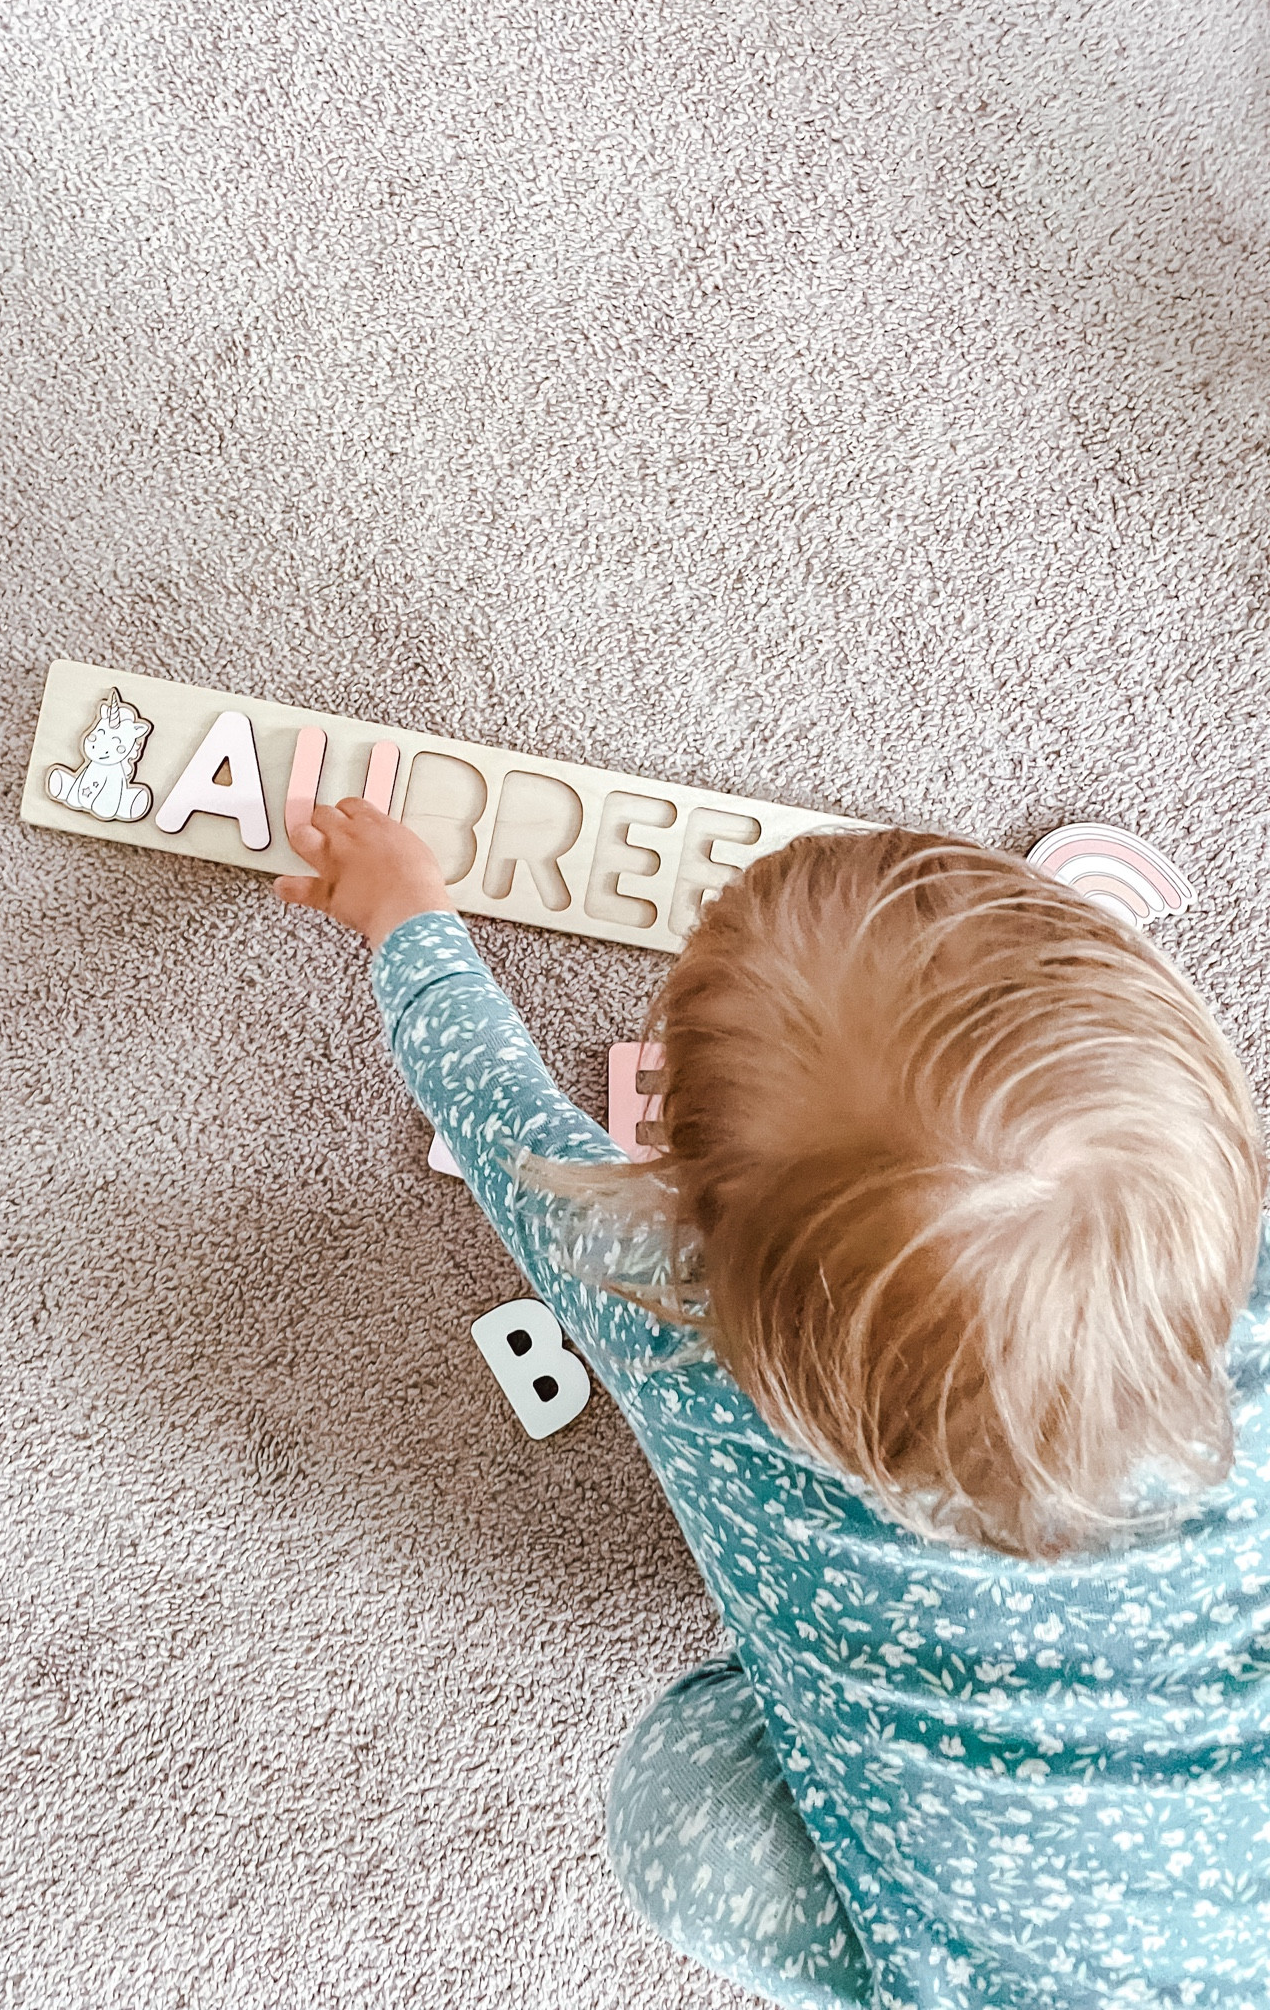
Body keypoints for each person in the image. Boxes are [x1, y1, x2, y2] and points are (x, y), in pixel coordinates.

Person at [276, 798, 1270, 2010]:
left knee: (679, 1814)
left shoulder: (680, 1343)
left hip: (974, 1979)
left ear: (694, 1224)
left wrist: (408, 921)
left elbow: (505, 1130)